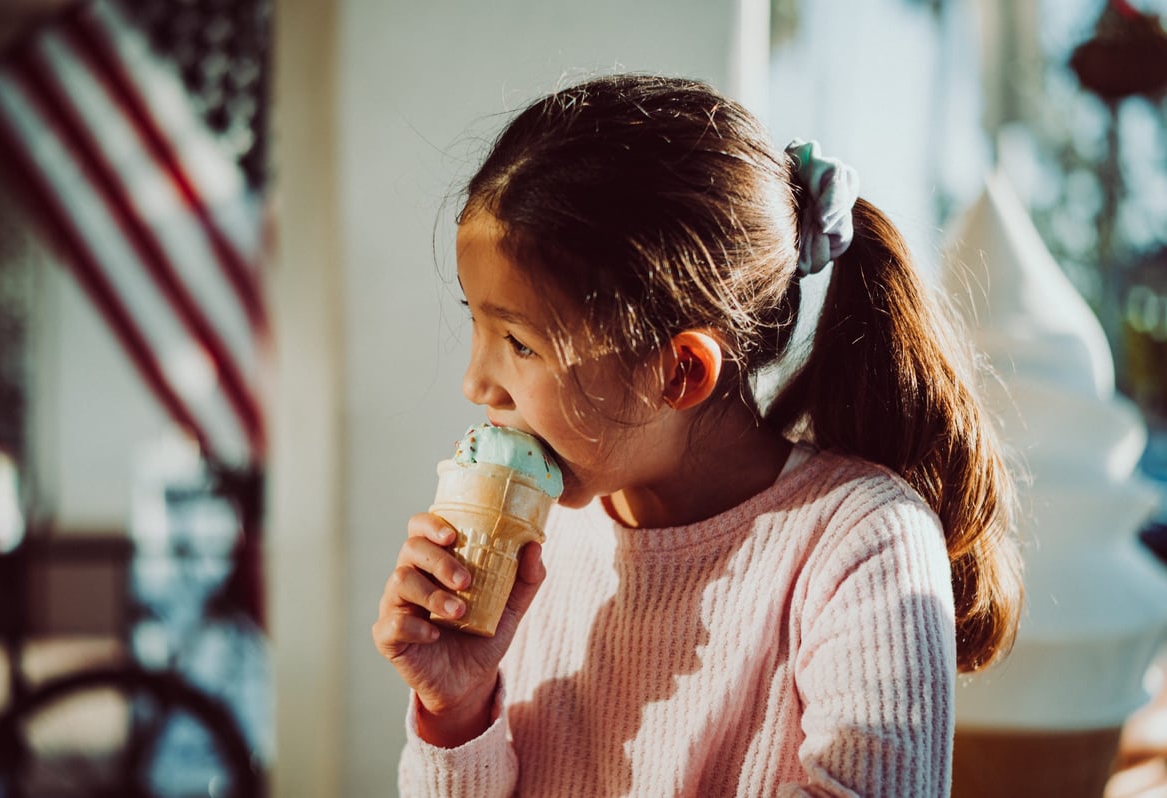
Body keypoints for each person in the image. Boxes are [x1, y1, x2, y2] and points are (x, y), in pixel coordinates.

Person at [373, 73, 1023, 797]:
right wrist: (457, 710)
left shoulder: (859, 543)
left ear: (679, 371)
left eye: (520, 344)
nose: (477, 384)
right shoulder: (543, 540)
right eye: (478, 323)